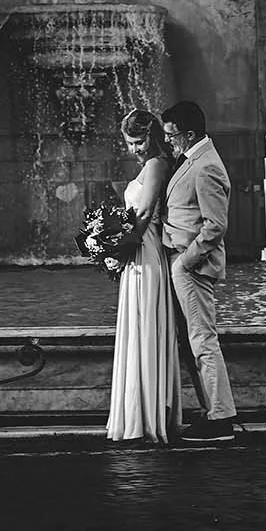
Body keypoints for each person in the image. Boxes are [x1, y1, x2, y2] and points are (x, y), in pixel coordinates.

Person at [160, 99, 242, 440]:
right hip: (181, 261)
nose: (167, 141)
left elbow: (215, 226)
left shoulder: (207, 166)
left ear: (189, 133)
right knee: (191, 339)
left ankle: (221, 418)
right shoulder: (192, 158)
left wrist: (184, 262)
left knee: (202, 339)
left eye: (172, 135)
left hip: (191, 265)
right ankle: (212, 409)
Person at [105, 107, 182, 446]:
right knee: (139, 328)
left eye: (138, 142)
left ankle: (145, 416)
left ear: (151, 137)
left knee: (144, 328)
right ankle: (141, 411)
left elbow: (145, 214)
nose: (134, 149)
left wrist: (112, 248)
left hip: (146, 255)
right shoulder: (150, 165)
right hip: (138, 256)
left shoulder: (156, 165)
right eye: (129, 143)